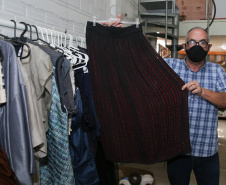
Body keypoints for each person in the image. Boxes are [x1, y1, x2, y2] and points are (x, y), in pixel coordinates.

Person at [102, 18, 226, 185]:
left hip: (207, 151)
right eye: (192, 41)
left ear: (208, 47)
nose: (197, 45)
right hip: (177, 151)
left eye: (202, 42)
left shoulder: (217, 71)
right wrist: (123, 33)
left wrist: (203, 91)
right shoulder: (170, 66)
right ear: (185, 46)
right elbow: (141, 58)